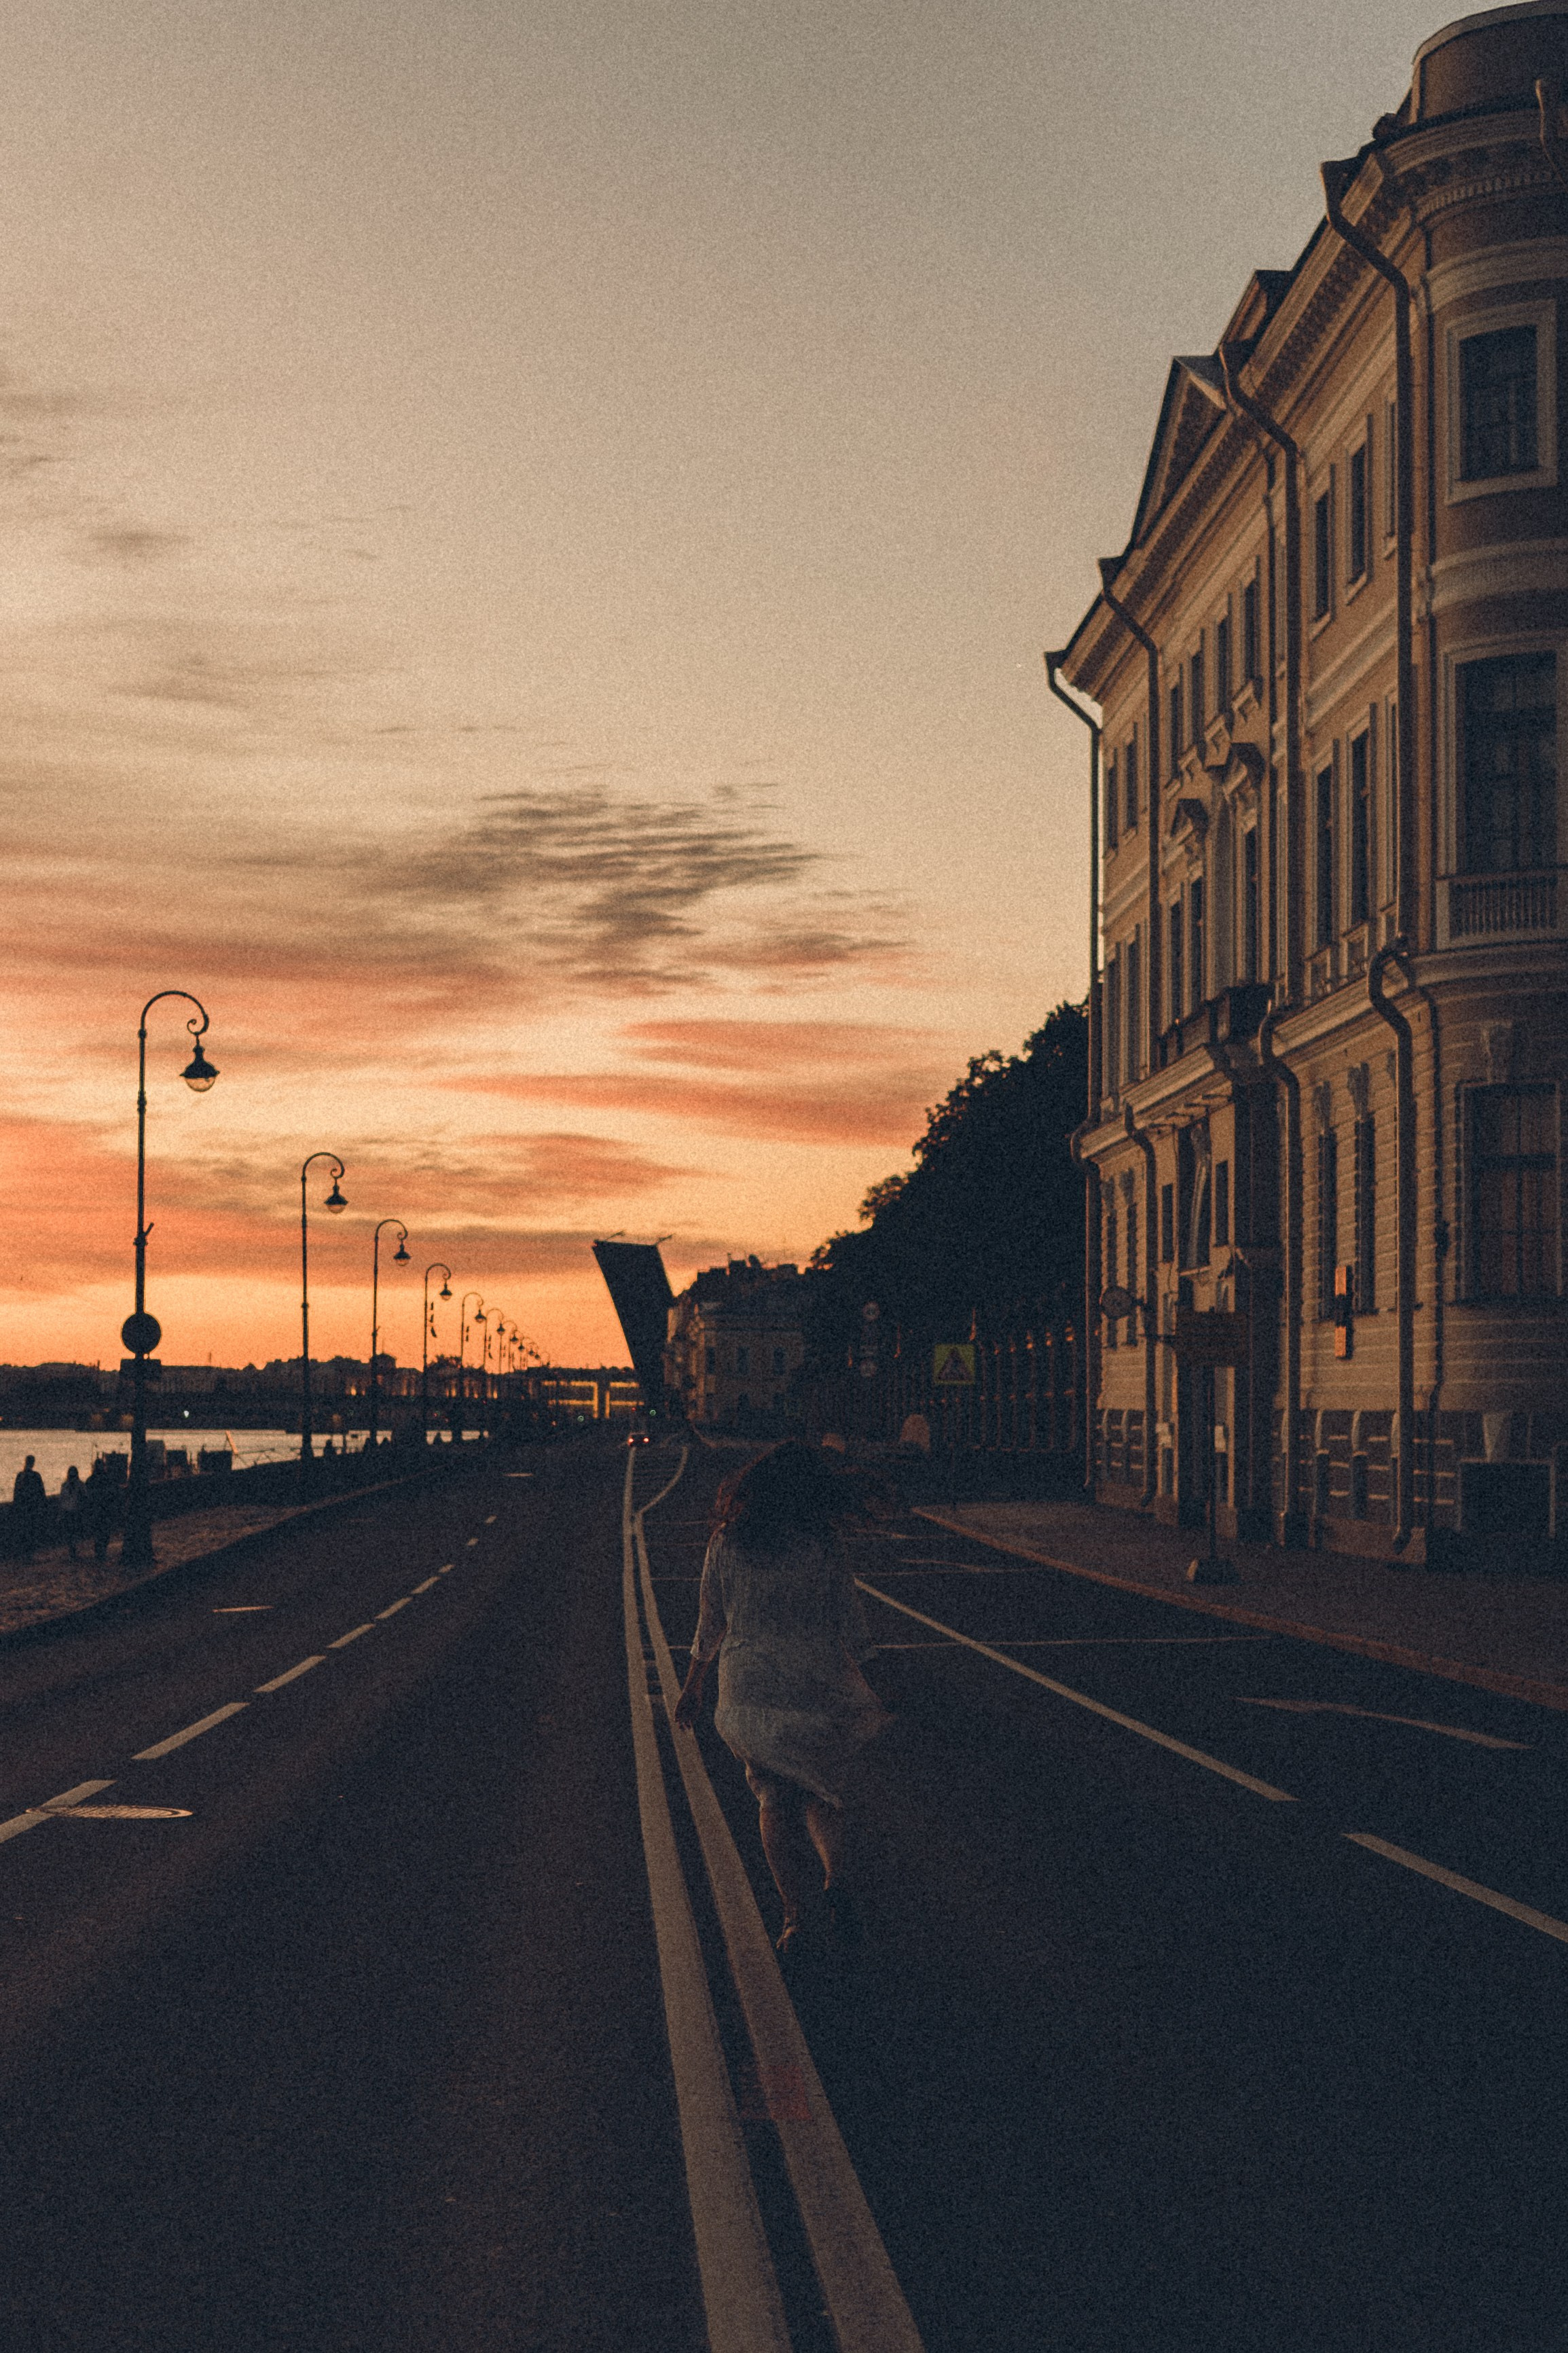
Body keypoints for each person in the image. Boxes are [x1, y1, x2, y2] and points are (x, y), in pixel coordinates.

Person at [674, 1442, 889, 1956]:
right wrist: (880, 1678)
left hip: (750, 1684)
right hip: (817, 1677)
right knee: (821, 1789)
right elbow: (849, 1620)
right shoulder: (821, 1542)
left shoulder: (728, 1542)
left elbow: (710, 1622)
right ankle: (834, 1876)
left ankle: (794, 1918)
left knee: (773, 1798)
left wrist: (692, 1687)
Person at [10, 1455, 46, 1560]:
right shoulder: (36, 1476)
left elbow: (16, 1493)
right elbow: (41, 1493)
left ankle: (23, 1554)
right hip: (32, 1508)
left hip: (22, 1508)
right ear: (33, 1463)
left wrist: (16, 1506)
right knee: (31, 1531)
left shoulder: (20, 1476)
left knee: (23, 1531)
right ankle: (29, 1555)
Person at [56, 1465, 85, 1561]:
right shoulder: (75, 1485)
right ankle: (72, 1552)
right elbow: (62, 1500)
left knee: (72, 1533)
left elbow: (62, 1500)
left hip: (73, 1512)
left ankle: (73, 1552)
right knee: (70, 1534)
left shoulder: (72, 1485)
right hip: (69, 1512)